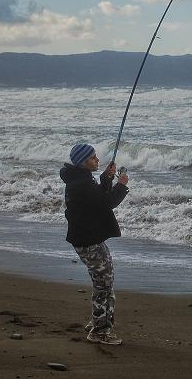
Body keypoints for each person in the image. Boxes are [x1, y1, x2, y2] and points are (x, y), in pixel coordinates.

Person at [60, 143, 129, 345]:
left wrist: (106, 178)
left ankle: (98, 320)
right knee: (104, 285)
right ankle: (100, 331)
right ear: (83, 162)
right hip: (89, 241)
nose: (97, 160)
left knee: (102, 282)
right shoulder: (81, 184)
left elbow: (97, 199)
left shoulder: (79, 179)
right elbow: (106, 203)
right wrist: (121, 185)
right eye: (93, 158)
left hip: (86, 239)